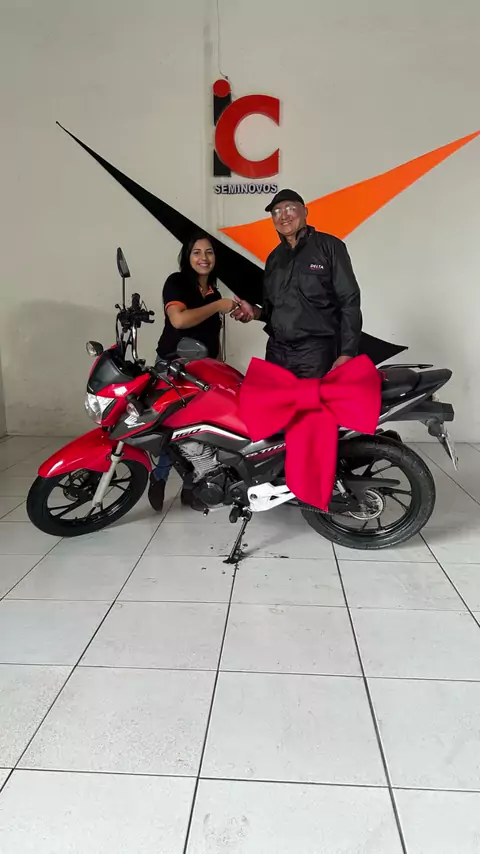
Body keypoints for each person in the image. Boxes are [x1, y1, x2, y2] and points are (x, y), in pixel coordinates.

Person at [148, 231, 238, 511]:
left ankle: (192, 486)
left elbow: (213, 336)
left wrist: (219, 367)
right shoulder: (177, 283)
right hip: (172, 366)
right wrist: (218, 306)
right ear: (187, 257)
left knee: (198, 430)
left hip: (204, 371)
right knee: (171, 426)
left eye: (209, 252)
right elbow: (178, 320)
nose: (204, 258)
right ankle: (159, 477)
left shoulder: (214, 292)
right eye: (197, 252)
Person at [231, 189, 362, 378]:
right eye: (276, 212)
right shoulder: (274, 259)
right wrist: (254, 312)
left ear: (305, 211)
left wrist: (347, 352)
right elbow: (271, 311)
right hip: (277, 353)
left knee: (313, 399)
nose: (283, 216)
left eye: (290, 208)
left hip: (317, 354)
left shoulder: (330, 247)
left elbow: (349, 300)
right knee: (272, 398)